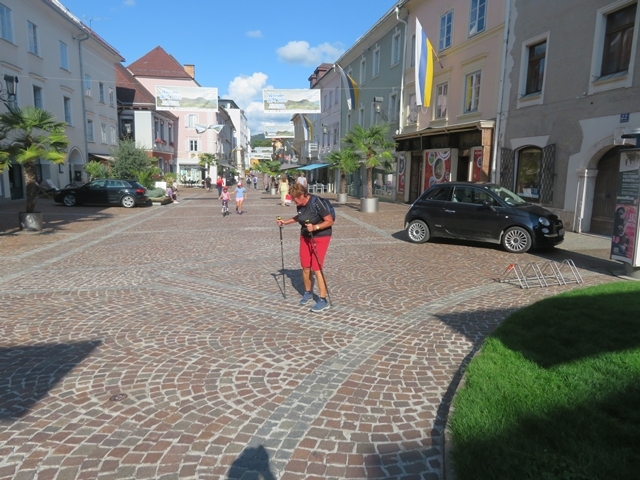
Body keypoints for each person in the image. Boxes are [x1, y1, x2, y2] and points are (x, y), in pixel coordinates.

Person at [276, 182, 334, 313]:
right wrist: (286, 222)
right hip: (305, 236)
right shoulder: (300, 204)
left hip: (321, 237)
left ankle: (323, 300)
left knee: (317, 267)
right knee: (306, 265)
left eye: (295, 199)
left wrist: (316, 227)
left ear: (302, 195)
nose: (294, 201)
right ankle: (308, 292)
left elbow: (330, 221)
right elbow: (301, 216)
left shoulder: (317, 202)